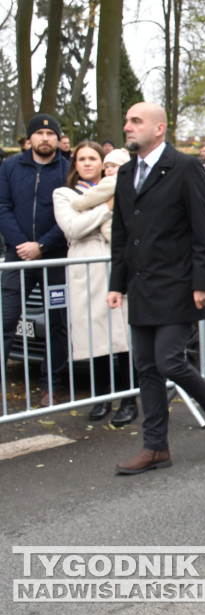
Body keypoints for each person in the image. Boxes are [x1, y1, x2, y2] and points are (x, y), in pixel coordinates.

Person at [108, 102, 205, 475]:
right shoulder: (127, 172)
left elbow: (201, 230)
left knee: (169, 360)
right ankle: (155, 447)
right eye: (127, 120)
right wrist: (117, 283)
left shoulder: (185, 167)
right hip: (141, 286)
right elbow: (121, 234)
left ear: (159, 128)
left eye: (136, 121)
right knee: (146, 367)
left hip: (178, 285)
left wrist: (202, 283)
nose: (127, 127)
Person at [53, 143, 137, 425]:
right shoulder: (63, 193)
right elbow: (72, 227)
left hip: (114, 264)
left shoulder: (118, 186)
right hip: (85, 265)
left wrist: (102, 208)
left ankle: (129, 398)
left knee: (120, 336)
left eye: (93, 158)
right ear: (74, 163)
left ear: (103, 163)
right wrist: (106, 208)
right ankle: (102, 397)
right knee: (95, 337)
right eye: (82, 159)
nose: (88, 163)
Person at [0, 113, 70, 407]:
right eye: (39, 134)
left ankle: (50, 385)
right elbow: (3, 207)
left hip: (55, 258)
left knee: (57, 323)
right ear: (29, 139)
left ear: (57, 138)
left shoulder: (68, 169)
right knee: (5, 320)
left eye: (50, 134)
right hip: (17, 258)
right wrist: (21, 245)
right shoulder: (10, 167)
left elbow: (70, 213)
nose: (45, 138)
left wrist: (41, 246)